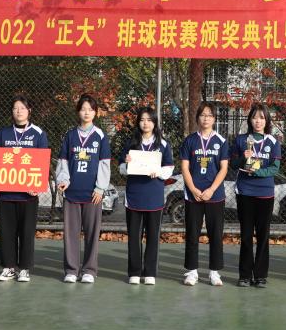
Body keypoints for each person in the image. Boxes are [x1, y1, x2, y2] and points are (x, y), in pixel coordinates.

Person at [55, 94, 111, 284]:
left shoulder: (100, 136)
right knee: (70, 234)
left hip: (93, 194)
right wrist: (63, 180)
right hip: (72, 193)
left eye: (90, 109)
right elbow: (63, 161)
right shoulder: (70, 135)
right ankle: (71, 270)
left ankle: (89, 270)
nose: (87, 112)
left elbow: (104, 164)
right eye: (83, 109)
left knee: (92, 233)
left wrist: (100, 188)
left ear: (95, 112)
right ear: (78, 111)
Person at [0, 96, 48, 283]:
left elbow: (42, 162)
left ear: (29, 110)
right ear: (12, 111)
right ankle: (8, 267)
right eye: (15, 108)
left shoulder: (38, 133)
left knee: (26, 232)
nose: (19, 111)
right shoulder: (3, 133)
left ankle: (24, 269)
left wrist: (37, 185)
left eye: (23, 108)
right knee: (6, 232)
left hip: (28, 196)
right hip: (6, 194)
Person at [119, 107, 174, 285]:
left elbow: (169, 168)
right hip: (134, 196)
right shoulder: (131, 143)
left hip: (154, 196)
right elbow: (121, 168)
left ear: (155, 123)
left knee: (152, 237)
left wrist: (158, 172)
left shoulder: (163, 144)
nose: (145, 123)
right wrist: (126, 164)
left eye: (149, 120)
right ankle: (134, 272)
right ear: (138, 122)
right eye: (142, 120)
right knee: (134, 237)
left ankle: (150, 272)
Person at [229, 103, 281, 288]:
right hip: (245, 192)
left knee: (263, 236)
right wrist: (243, 157)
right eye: (254, 117)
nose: (258, 121)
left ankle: (260, 275)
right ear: (249, 119)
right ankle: (244, 275)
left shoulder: (273, 141)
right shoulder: (241, 140)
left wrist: (257, 172)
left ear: (267, 121)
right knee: (245, 235)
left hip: (265, 194)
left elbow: (274, 168)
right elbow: (233, 165)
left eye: (262, 118)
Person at [179, 102, 230, 287]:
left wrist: (211, 190)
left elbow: (224, 168)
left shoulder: (221, 141)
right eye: (202, 115)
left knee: (215, 234)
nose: (206, 118)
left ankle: (214, 272)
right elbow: (184, 167)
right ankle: (192, 271)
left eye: (209, 115)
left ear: (214, 119)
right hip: (193, 195)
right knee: (192, 233)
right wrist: (193, 189)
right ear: (197, 118)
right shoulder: (190, 140)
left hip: (214, 195)